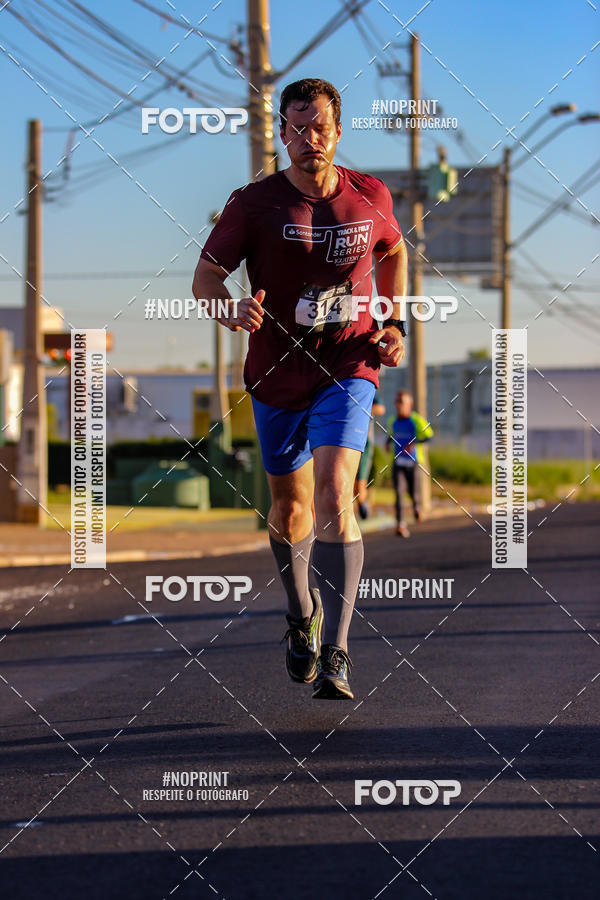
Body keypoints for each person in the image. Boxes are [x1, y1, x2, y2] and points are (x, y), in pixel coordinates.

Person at [192, 77, 408, 699]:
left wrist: (393, 322)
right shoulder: (253, 204)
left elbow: (394, 251)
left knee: (337, 492)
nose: (308, 138)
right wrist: (230, 309)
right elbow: (206, 278)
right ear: (281, 134)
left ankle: (338, 650)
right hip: (275, 373)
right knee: (290, 508)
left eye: (319, 127)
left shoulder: (370, 196)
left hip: (348, 364)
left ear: (338, 132)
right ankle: (300, 612)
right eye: (296, 128)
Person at [387, 391, 433, 537]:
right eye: (397, 401)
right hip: (398, 462)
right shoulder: (392, 420)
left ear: (409, 404)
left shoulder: (416, 420)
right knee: (399, 493)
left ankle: (417, 507)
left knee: (413, 492)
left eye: (401, 401)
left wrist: (414, 443)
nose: (398, 405)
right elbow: (391, 435)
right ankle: (400, 524)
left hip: (413, 462)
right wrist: (387, 443)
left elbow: (429, 436)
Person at [355, 393, 386, 520]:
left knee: (360, 482)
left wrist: (361, 408)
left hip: (364, 442)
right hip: (345, 441)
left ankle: (363, 506)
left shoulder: (367, 389)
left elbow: (381, 409)